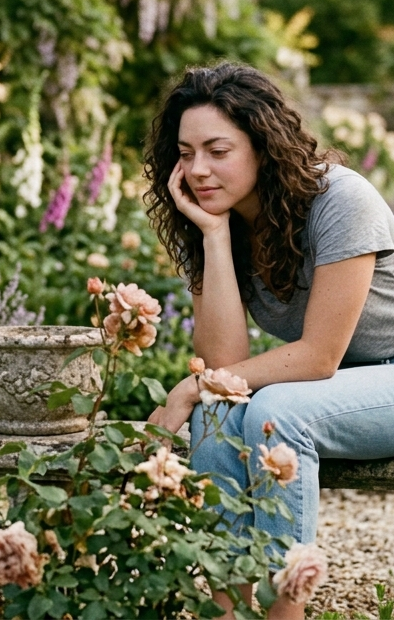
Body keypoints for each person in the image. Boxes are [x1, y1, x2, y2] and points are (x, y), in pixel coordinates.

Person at [143, 61, 394, 620]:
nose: (199, 170)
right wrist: (212, 236)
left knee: (276, 411)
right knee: (215, 415)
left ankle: (286, 611)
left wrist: (192, 384)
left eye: (218, 150)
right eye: (185, 154)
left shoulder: (340, 201)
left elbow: (318, 356)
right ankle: (224, 609)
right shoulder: (212, 219)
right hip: (343, 384)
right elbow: (227, 364)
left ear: (262, 144)